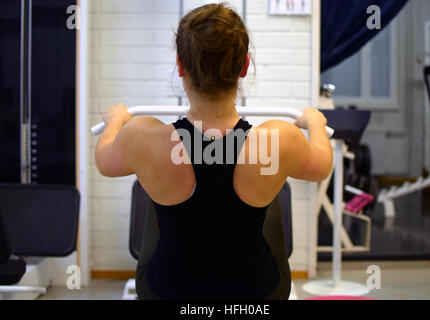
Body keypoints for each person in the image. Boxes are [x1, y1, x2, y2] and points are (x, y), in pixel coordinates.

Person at [95, 3, 332, 300]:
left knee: (158, 190)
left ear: (180, 66)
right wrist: (316, 123)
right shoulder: (280, 138)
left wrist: (115, 121)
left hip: (167, 294)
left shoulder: (141, 136)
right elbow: (322, 166)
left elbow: (104, 161)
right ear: (245, 66)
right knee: (268, 192)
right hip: (258, 297)